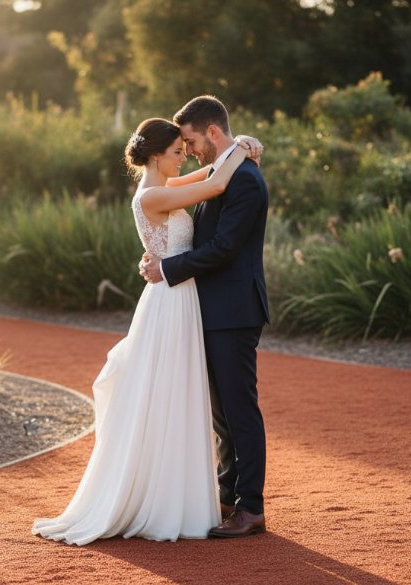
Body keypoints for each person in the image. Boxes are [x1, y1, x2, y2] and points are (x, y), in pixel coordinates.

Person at [31, 117, 262, 545]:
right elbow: (212, 186)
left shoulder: (165, 186)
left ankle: (192, 494)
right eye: (177, 151)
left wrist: (236, 148)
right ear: (156, 155)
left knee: (184, 396)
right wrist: (243, 151)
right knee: (171, 395)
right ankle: (163, 497)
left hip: (181, 297)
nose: (184, 156)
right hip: (171, 303)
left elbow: (207, 175)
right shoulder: (154, 193)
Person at [140, 95, 270, 538]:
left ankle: (251, 507)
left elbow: (225, 248)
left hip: (233, 311)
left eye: (191, 141)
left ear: (212, 132)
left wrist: (167, 267)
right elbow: (201, 199)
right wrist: (159, 256)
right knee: (221, 416)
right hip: (208, 309)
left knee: (239, 410)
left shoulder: (245, 181)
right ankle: (227, 495)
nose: (189, 149)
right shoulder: (220, 172)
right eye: (181, 146)